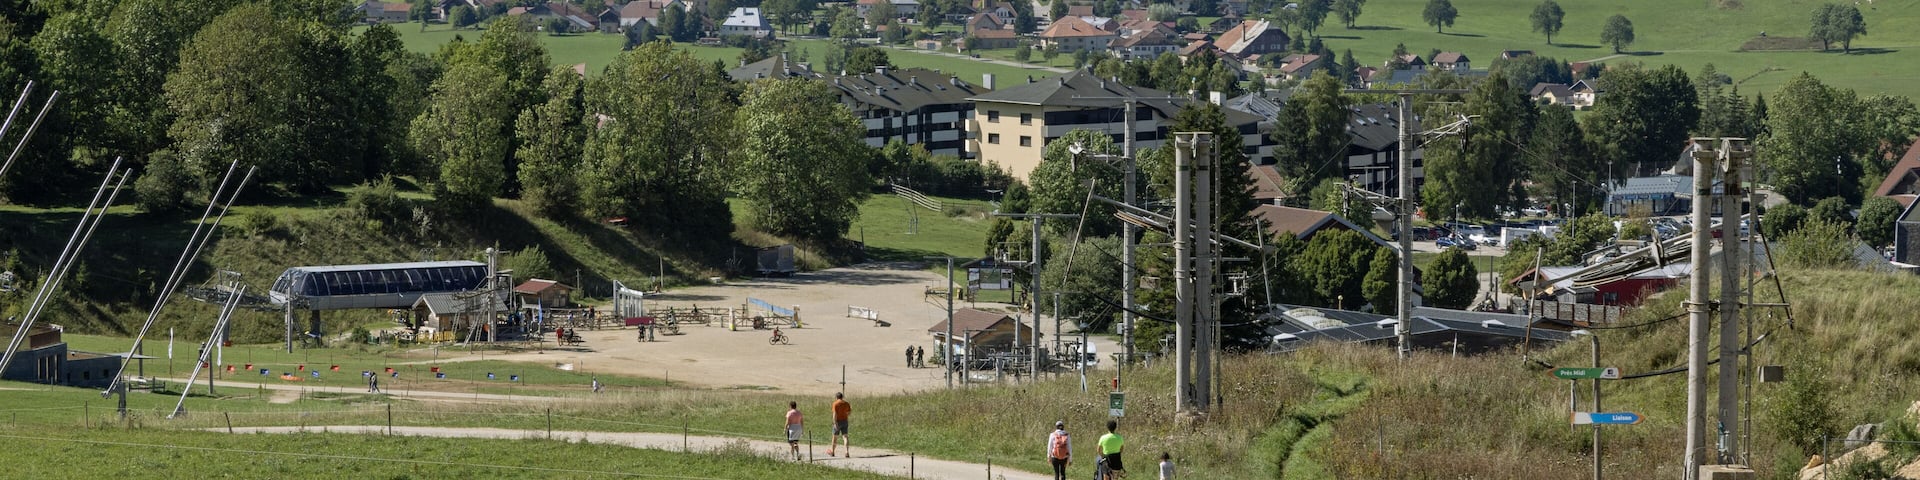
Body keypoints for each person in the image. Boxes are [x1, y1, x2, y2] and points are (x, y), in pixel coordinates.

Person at [828, 392, 852, 457]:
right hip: (845, 421)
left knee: (835, 437)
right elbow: (849, 412)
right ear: (842, 397)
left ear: (836, 397)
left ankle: (832, 452)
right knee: (845, 436)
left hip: (838, 421)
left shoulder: (835, 403)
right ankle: (847, 452)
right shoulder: (846, 403)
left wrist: (835, 423)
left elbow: (834, 414)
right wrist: (844, 414)